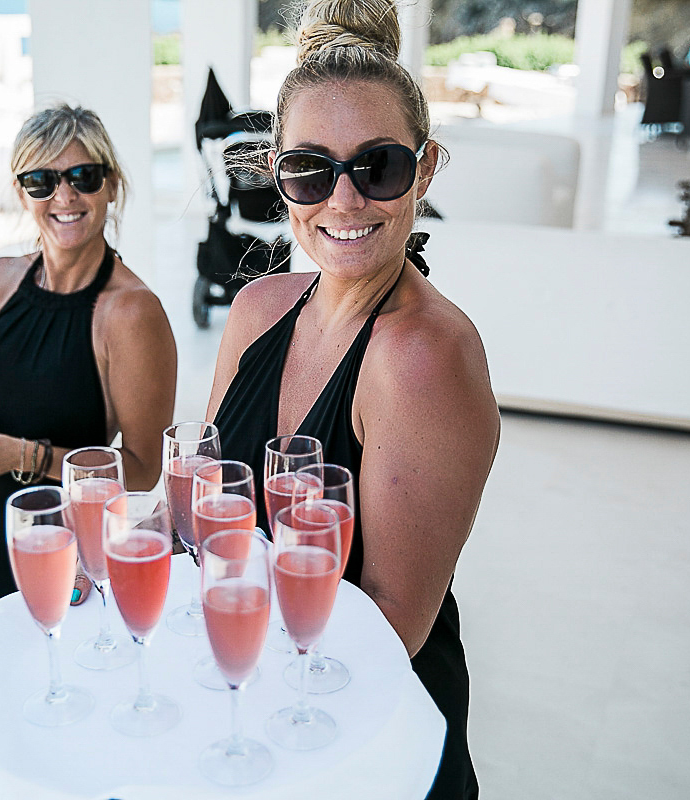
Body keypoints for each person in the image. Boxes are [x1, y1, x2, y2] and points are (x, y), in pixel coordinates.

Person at [205, 2, 498, 797]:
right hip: (248, 697)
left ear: (426, 168)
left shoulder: (424, 356)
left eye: (379, 167)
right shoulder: (258, 308)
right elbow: (206, 501)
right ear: (276, 171)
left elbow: (391, 627)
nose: (343, 201)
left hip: (352, 736)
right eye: (310, 167)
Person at [0, 104, 176, 630]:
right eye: (42, 180)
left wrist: (19, 457)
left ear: (111, 186)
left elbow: (140, 470)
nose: (64, 196)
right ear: (22, 192)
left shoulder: (132, 312)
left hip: (67, 554)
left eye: (83, 177)